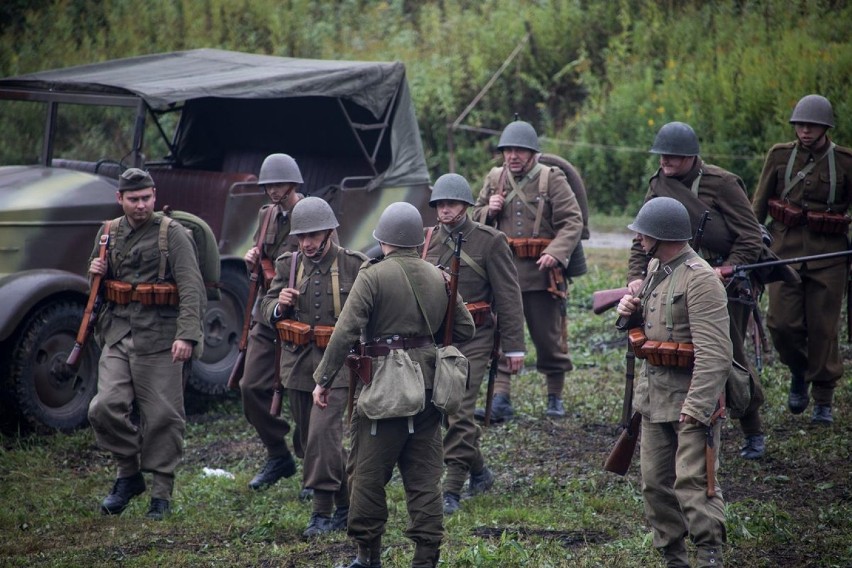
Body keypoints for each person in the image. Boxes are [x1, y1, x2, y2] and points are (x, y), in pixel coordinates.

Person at [313, 202, 475, 568]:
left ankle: (367, 557)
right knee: (424, 481)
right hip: (430, 389)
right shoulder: (440, 276)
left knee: (367, 476)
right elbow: (466, 329)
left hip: (385, 389)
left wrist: (323, 378)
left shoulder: (373, 276)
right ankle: (425, 558)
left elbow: (345, 331)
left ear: (383, 239)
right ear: (418, 241)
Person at [626, 121, 767, 459]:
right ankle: (666, 424)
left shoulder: (723, 183)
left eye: (673, 156)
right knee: (667, 347)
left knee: (728, 353)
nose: (665, 161)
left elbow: (751, 237)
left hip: (719, 282)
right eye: (662, 155)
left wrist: (724, 268)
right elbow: (641, 233)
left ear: (690, 157)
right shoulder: (659, 184)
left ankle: (752, 429)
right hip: (668, 276)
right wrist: (635, 274)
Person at [616, 197, 730, 568]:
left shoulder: (700, 280)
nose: (639, 239)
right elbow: (646, 335)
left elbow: (715, 355)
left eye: (643, 234)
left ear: (661, 236)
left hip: (690, 400)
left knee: (694, 483)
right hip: (653, 399)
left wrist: (696, 410)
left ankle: (709, 552)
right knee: (654, 484)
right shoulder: (655, 268)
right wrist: (627, 315)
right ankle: (673, 556)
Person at [87, 168, 206, 520]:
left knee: (164, 416)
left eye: (146, 198)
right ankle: (128, 473)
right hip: (118, 332)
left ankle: (161, 493)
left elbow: (192, 288)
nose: (140, 205)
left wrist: (187, 335)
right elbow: (97, 286)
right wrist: (94, 271)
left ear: (154, 196)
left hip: (161, 337)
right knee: (104, 407)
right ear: (120, 199)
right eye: (133, 199)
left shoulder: (174, 234)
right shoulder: (108, 232)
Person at [260, 196, 367, 537]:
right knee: (311, 441)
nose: (306, 243)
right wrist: (280, 305)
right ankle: (348, 504)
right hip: (298, 364)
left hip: (337, 366)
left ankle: (321, 512)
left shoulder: (356, 265)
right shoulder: (289, 264)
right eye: (301, 237)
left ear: (330, 232)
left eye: (313, 236)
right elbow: (265, 307)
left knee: (322, 434)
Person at [421, 173, 525, 515]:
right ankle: (479, 470)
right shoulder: (427, 242)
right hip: (438, 336)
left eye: (451, 203)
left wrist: (513, 347)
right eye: (440, 204)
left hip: (477, 337)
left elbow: (509, 298)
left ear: (466, 205)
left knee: (460, 408)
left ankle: (451, 486)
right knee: (441, 408)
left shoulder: (490, 241)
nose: (445, 210)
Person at [471, 119, 583, 420]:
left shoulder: (551, 179)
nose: (513, 156)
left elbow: (572, 222)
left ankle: (554, 397)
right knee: (502, 334)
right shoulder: (495, 179)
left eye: (519, 150)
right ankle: (501, 398)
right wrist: (487, 210)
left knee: (549, 339)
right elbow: (472, 218)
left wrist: (556, 253)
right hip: (503, 275)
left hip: (541, 273)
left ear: (533, 153)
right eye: (508, 150)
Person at [752, 94, 852, 425]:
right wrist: (752, 243)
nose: (805, 131)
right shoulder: (780, 156)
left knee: (824, 330)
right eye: (800, 125)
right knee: (781, 324)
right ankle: (799, 369)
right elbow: (759, 204)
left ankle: (823, 398)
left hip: (830, 257)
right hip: (785, 253)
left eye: (811, 125)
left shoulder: (845, 162)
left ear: (825, 127)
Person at [239, 153, 303, 490]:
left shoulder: (311, 212)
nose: (273, 191)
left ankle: (316, 471)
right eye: (269, 186)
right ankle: (278, 453)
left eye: (279, 184)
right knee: (250, 386)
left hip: (303, 316)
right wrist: (252, 257)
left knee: (303, 394)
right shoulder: (266, 215)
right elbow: (260, 255)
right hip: (266, 311)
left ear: (293, 182)